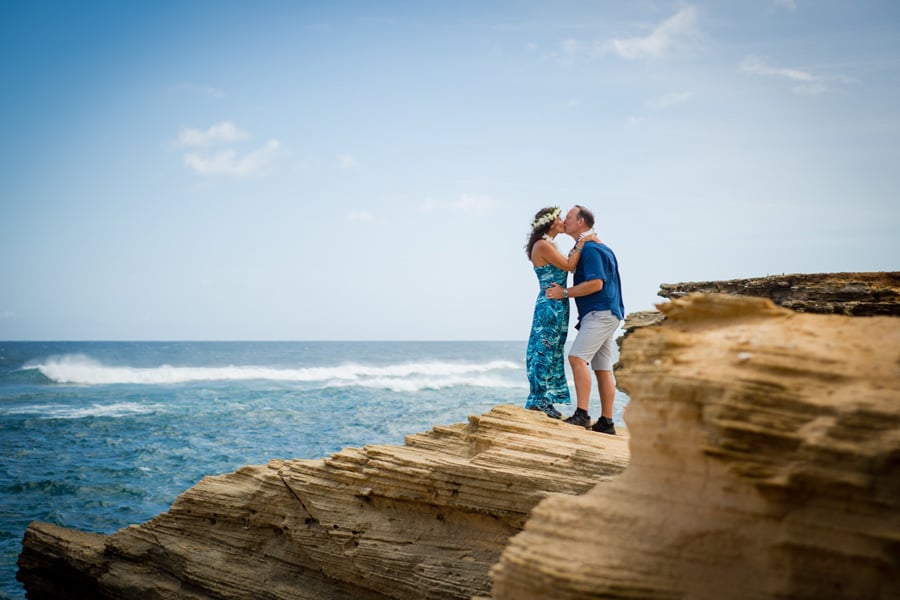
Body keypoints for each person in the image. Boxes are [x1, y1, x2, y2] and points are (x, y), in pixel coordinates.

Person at [546, 205, 624, 435]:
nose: (565, 221)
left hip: (599, 313)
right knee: (602, 369)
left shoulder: (590, 249)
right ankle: (606, 422)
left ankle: (582, 414)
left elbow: (596, 283)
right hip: (609, 312)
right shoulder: (594, 245)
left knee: (577, 358)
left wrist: (564, 293)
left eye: (569, 217)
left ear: (581, 222)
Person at [524, 206, 596, 419]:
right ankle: (538, 399)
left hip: (558, 303)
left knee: (553, 349)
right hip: (550, 304)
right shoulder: (542, 245)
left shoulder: (547, 244)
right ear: (550, 223)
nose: (563, 221)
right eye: (559, 218)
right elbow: (568, 265)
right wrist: (583, 242)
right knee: (543, 349)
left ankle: (543, 398)